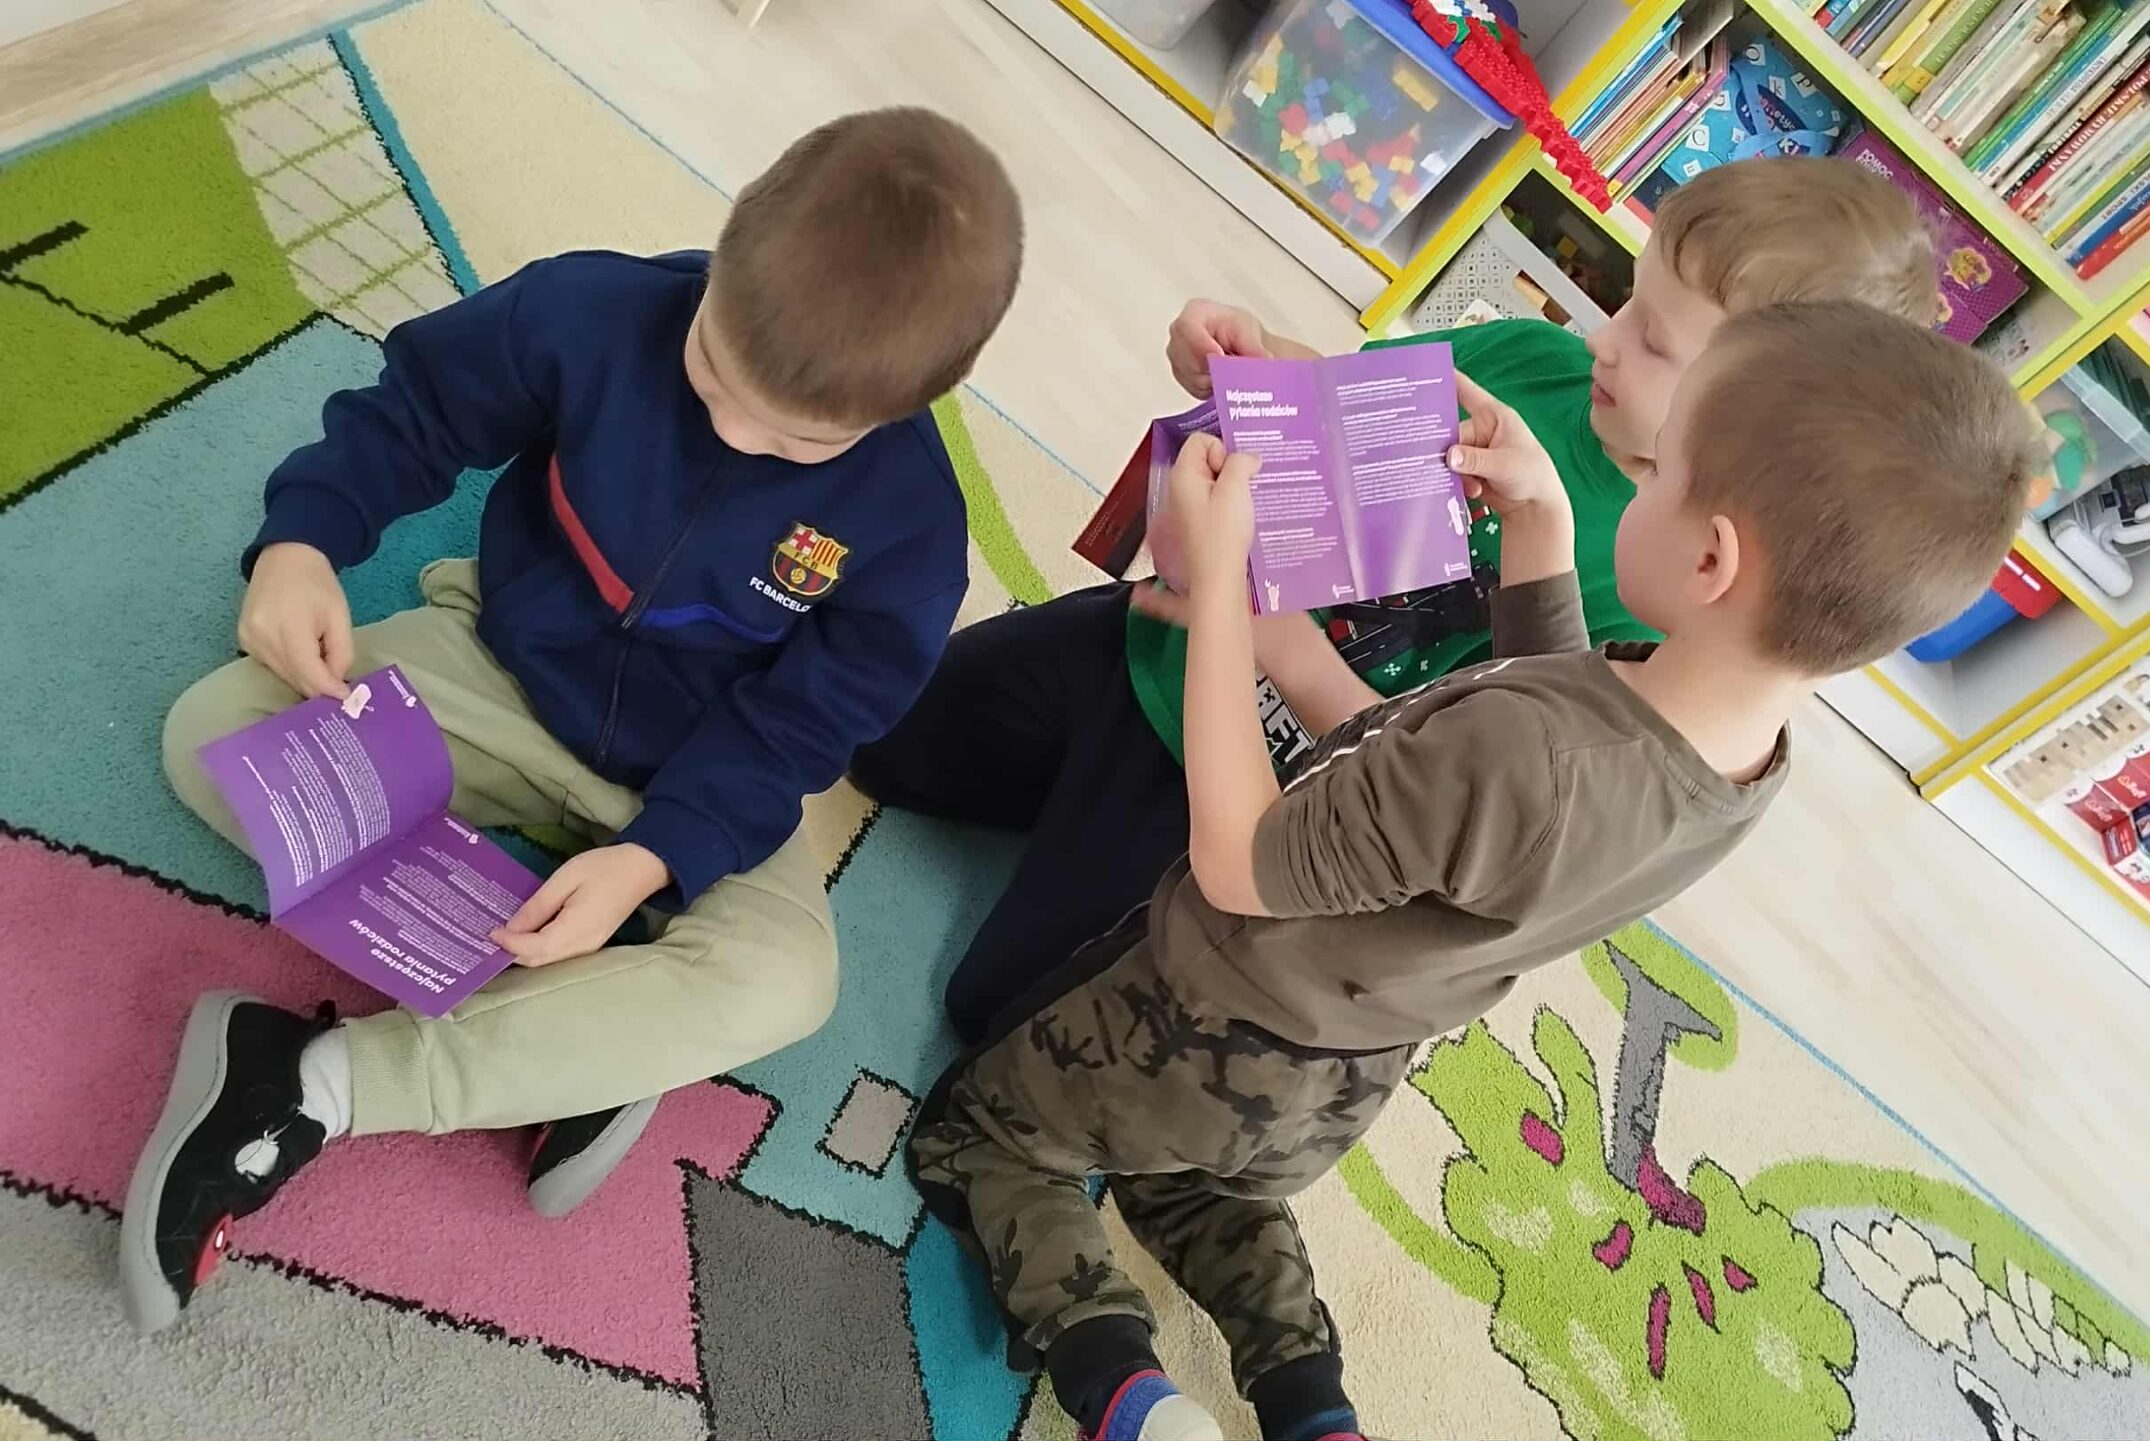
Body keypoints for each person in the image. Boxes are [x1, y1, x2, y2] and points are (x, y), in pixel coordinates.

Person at [908, 302, 2047, 1441]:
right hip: (1337, 1079)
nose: (1635, 484)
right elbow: (1558, 712)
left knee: (986, 1137)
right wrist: (1543, 524)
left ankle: (1119, 1382)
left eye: (1662, 475)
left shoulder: (1522, 757)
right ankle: (1308, 1402)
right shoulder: (1738, 756)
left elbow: (1243, 859)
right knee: (1214, 1188)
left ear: (1711, 558)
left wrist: (1220, 597)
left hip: (1208, 1010)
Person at [119, 109, 1024, 1332]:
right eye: (714, 376)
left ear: (920, 400)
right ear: (725, 246)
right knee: (214, 735)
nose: (733, 433)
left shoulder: (911, 530)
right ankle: (593, 1033)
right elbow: (415, 410)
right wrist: (301, 542)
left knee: (785, 982)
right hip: (494, 673)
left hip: (699, 781)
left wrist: (656, 855)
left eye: (796, 439)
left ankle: (316, 1081)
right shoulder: (590, 311)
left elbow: (806, 725)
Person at [844, 154, 1942, 1044]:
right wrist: (1247, 362)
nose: (1604, 338)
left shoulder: (1662, 605)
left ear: (1753, 419)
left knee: (995, 1010)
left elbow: (1432, 772)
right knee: (880, 743)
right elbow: (1341, 401)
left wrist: (1263, 634)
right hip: (1158, 645)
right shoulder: (1537, 360)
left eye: (1655, 343)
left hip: (1259, 792)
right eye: (1626, 301)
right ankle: (1069, 800)